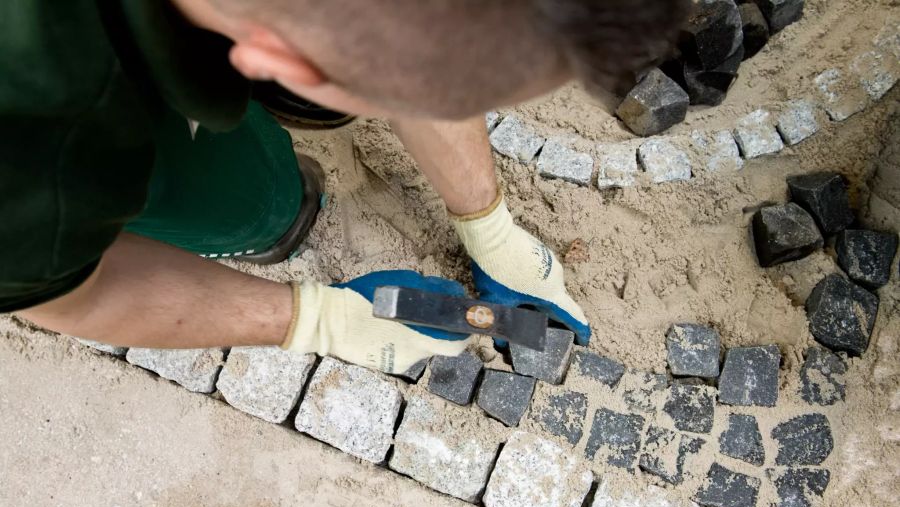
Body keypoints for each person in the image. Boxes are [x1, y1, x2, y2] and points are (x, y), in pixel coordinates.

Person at [1, 0, 687, 374]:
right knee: (242, 199)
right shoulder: (33, 165)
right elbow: (71, 295)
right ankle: (268, 215)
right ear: (276, 63)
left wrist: (490, 225)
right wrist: (309, 321)